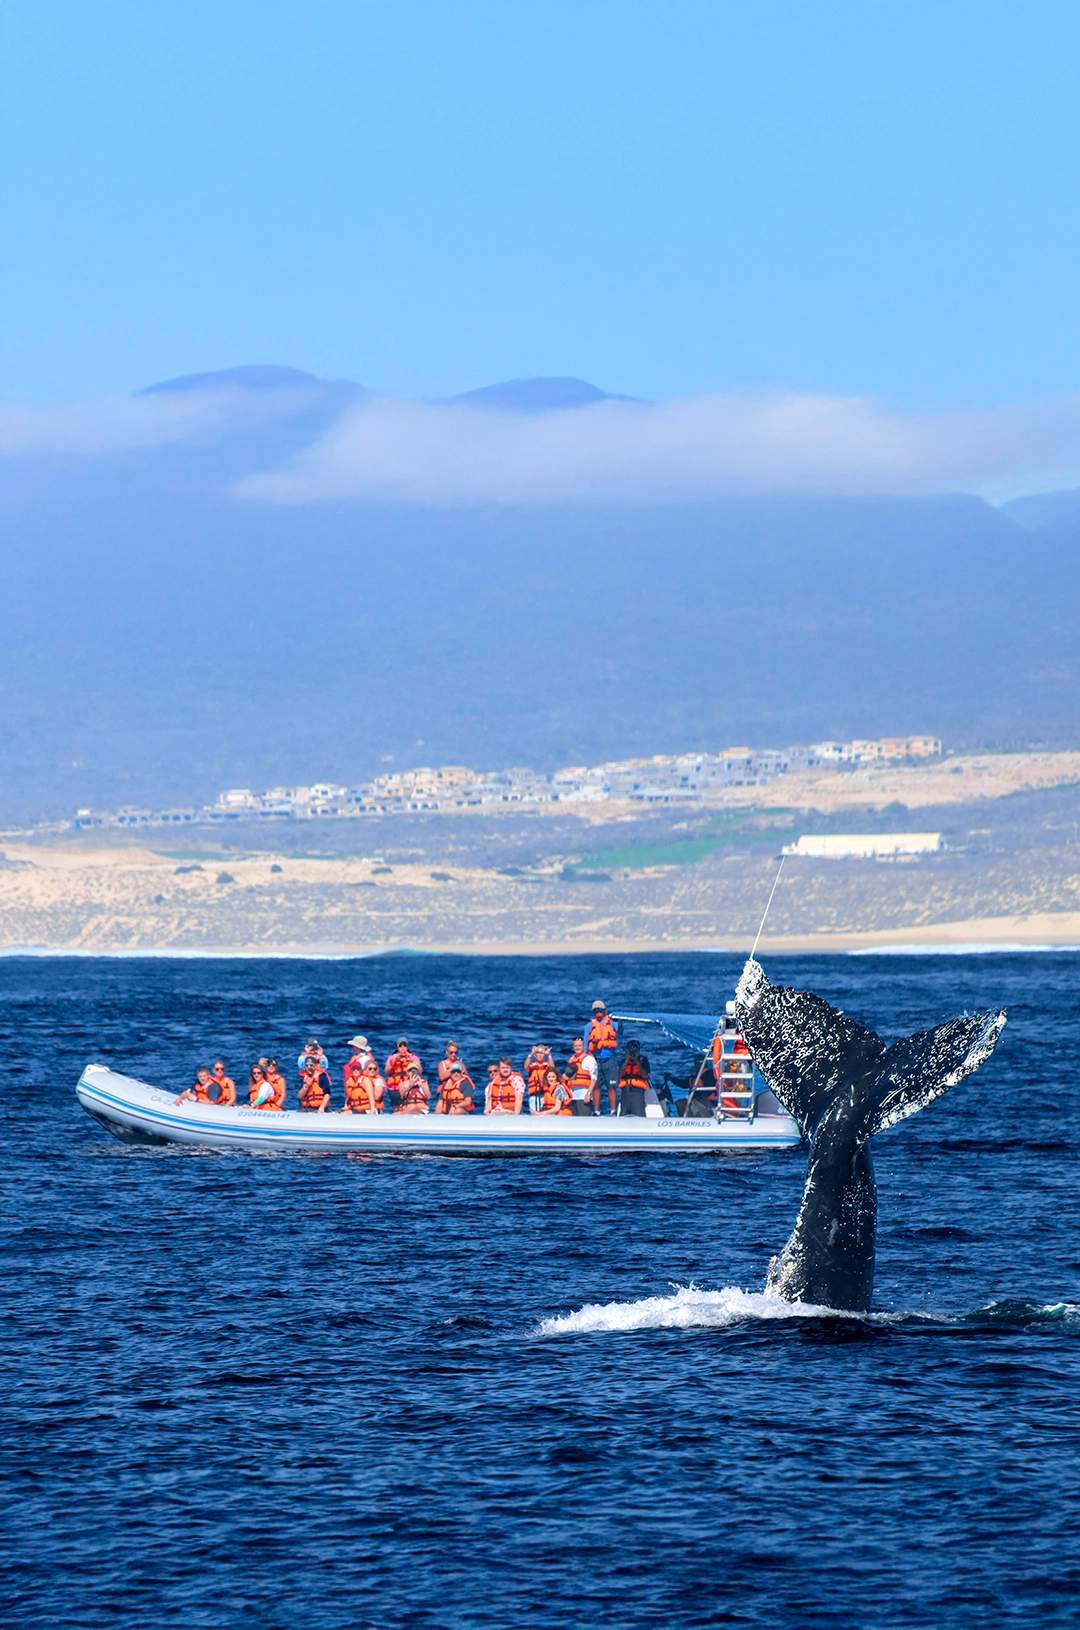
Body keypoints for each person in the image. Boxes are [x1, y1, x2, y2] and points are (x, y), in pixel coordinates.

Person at [587, 1000, 620, 1115]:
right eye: (596, 1010)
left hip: (609, 1060)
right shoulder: (589, 1026)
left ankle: (613, 1111)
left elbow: (620, 1031)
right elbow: (586, 1044)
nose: (598, 1012)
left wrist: (620, 1023)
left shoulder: (613, 1024)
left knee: (611, 1086)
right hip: (595, 1060)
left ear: (605, 1011)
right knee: (596, 1087)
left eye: (600, 1010)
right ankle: (596, 1111)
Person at [384, 1038, 421, 1110]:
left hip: (409, 1086)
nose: (403, 1048)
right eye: (400, 1046)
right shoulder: (392, 1058)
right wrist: (393, 1061)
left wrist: (414, 1062)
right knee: (397, 1109)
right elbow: (387, 1072)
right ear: (397, 1047)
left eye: (405, 1046)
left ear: (407, 1047)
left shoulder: (413, 1057)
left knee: (408, 1108)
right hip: (394, 1088)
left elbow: (420, 1071)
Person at [565, 1037, 598, 1115]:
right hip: (572, 1097)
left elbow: (594, 1078)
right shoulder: (571, 1060)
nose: (577, 1048)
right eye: (575, 1046)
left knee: (584, 1121)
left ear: (583, 1047)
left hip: (584, 1096)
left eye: (580, 1046)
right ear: (573, 1047)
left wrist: (589, 1094)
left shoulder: (589, 1059)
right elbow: (567, 1078)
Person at [618, 1041, 651, 1117]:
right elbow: (620, 1075)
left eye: (635, 1050)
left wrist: (637, 1061)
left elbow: (645, 1075)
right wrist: (626, 1060)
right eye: (630, 1050)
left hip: (638, 1093)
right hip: (625, 1092)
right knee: (623, 1115)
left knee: (639, 1116)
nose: (633, 1053)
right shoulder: (623, 1061)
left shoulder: (643, 1060)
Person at [524, 1044, 554, 1111]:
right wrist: (531, 1054)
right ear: (535, 1055)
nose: (540, 1055)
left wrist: (549, 1055)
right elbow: (526, 1067)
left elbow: (552, 1069)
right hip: (534, 1096)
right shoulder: (532, 1066)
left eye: (542, 1053)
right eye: (538, 1053)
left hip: (546, 1095)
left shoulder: (547, 1066)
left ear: (544, 1055)